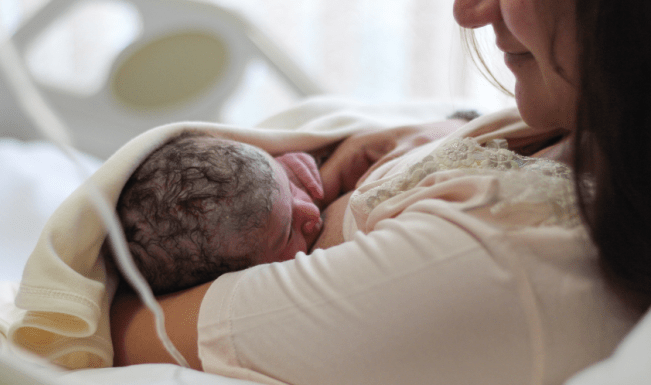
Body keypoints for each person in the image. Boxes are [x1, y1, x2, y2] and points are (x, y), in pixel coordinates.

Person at [110, 0, 651, 383]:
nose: (467, 10)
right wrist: (439, 133)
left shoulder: (497, 258)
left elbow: (116, 326)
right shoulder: (581, 129)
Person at [113, 131, 325, 295]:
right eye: (287, 235)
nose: (312, 210)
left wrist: (313, 163)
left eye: (290, 185)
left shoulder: (269, 194)